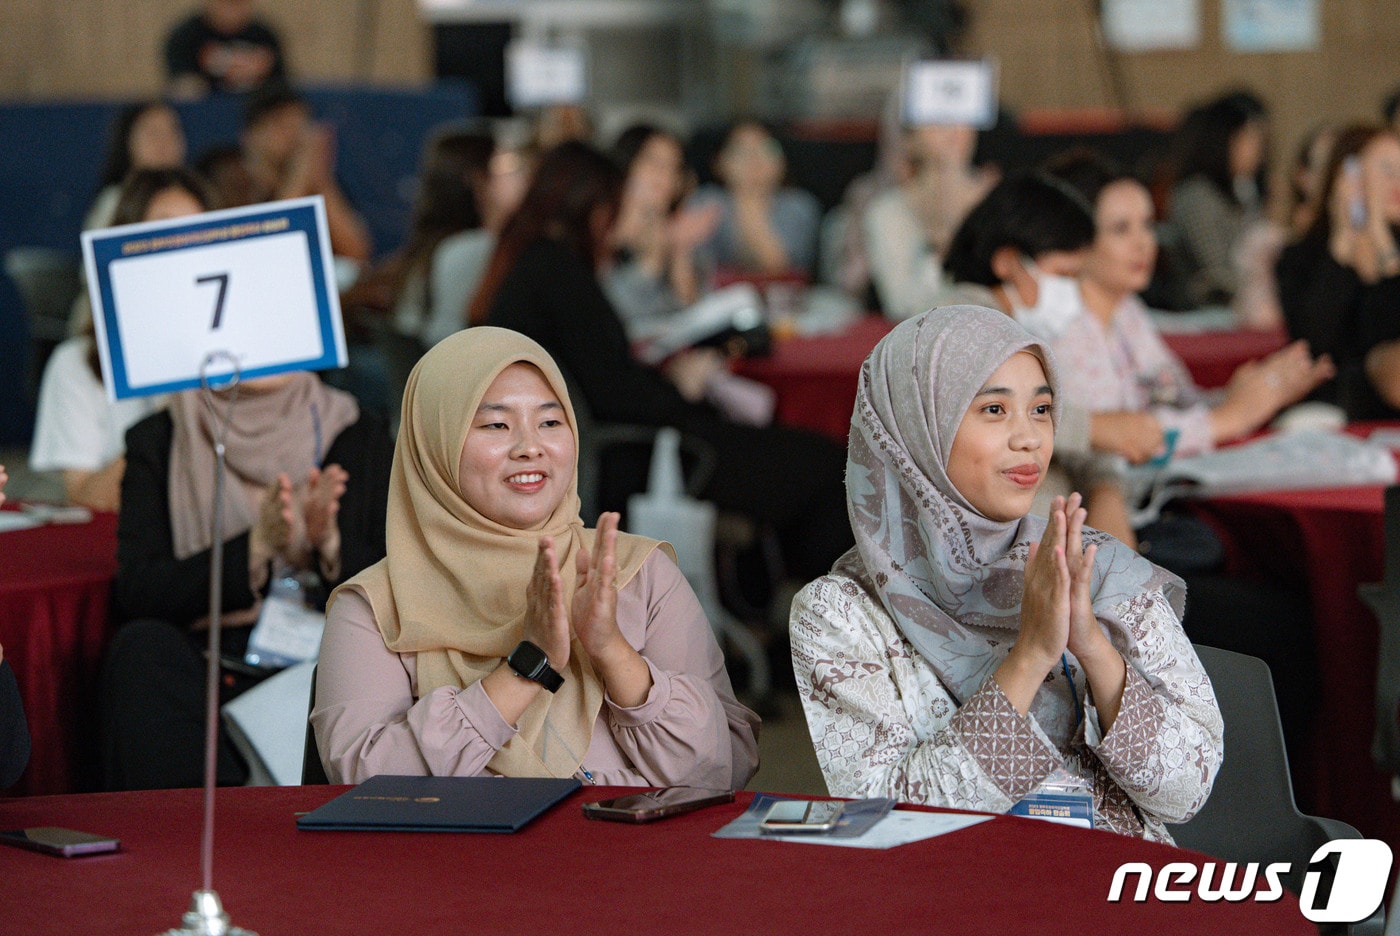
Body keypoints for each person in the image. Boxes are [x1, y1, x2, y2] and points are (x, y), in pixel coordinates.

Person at [790, 305, 1222, 841]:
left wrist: (1092, 646)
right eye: (995, 410)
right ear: (915, 429)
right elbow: (889, 823)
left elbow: (1188, 792)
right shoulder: (840, 613)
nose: (1031, 439)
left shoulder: (1095, 567)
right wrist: (1032, 656)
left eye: (1041, 410)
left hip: (1118, 888)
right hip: (958, 901)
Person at [312, 327, 759, 787]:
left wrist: (611, 651)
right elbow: (362, 783)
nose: (531, 447)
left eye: (550, 422)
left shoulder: (635, 574)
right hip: (460, 859)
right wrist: (529, 665)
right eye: (495, 425)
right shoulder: (378, 605)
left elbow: (728, 767)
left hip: (630, 855)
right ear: (434, 446)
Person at [471, 142, 852, 591]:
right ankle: (816, 616)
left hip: (618, 447)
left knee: (801, 459)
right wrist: (680, 391)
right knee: (829, 465)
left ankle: (771, 603)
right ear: (596, 210)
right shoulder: (559, 274)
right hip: (644, 454)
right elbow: (615, 392)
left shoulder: (535, 264)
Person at [101, 363, 392, 789]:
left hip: (329, 647)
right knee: (140, 650)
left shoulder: (357, 429)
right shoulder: (162, 435)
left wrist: (328, 547)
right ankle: (176, 844)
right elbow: (139, 588)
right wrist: (256, 547)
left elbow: (400, 581)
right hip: (214, 655)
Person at [1042, 153, 1332, 463]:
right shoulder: (1062, 325)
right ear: (1076, 241)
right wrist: (1229, 416)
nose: (1143, 242)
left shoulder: (1128, 311)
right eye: (1121, 229)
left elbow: (1172, 402)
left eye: (1148, 225)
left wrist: (1253, 394)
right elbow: (1119, 443)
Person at [942, 172, 1136, 542]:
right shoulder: (957, 323)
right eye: (1065, 275)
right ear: (1008, 262)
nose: (1074, 295)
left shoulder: (1030, 333)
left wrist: (1106, 488)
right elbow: (987, 420)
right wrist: (1097, 430)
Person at [31, 168, 216, 513]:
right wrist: (177, 406)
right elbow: (87, 499)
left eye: (195, 234)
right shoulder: (76, 364)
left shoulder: (242, 364)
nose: (179, 250)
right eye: (162, 232)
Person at [1278, 124, 1400, 418]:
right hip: (1332, 411)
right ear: (1350, 176)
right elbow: (1313, 342)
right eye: (1387, 169)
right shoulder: (1304, 255)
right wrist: (1345, 238)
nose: (1398, 181)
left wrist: (1380, 237)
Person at [863, 118, 997, 321]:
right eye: (937, 120)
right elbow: (902, 305)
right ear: (909, 139)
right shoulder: (886, 212)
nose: (952, 132)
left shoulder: (999, 200)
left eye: (961, 118)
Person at [605, 123, 721, 339]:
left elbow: (693, 312)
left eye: (673, 166)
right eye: (652, 162)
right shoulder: (598, 231)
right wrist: (653, 257)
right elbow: (613, 310)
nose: (664, 175)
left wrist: (680, 248)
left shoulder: (680, 228)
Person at [240, 85, 371, 264]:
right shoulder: (232, 180)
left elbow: (357, 255)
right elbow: (270, 250)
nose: (295, 137)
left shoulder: (317, 179)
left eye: (300, 124)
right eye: (282, 126)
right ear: (251, 135)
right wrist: (301, 173)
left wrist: (322, 182)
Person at [1166, 91, 1272, 307]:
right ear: (1224, 140)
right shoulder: (1196, 196)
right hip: (1209, 310)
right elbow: (1217, 270)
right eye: (1249, 137)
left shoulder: (1246, 189)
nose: (1258, 149)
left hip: (1248, 303)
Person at [689, 121, 820, 277]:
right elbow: (695, 271)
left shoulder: (799, 204)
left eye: (766, 149)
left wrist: (748, 201)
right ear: (719, 162)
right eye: (741, 151)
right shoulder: (706, 201)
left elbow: (778, 267)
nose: (754, 159)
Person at [85, 102, 187, 232]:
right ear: (128, 141)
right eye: (153, 133)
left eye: (172, 131)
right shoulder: (114, 202)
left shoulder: (195, 194)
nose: (164, 142)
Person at [164, 0, 286, 98]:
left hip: (256, 112)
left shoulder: (264, 36)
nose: (232, 10)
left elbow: (281, 84)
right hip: (207, 114)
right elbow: (181, 84)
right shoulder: (185, 37)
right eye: (226, 3)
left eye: (238, 3)